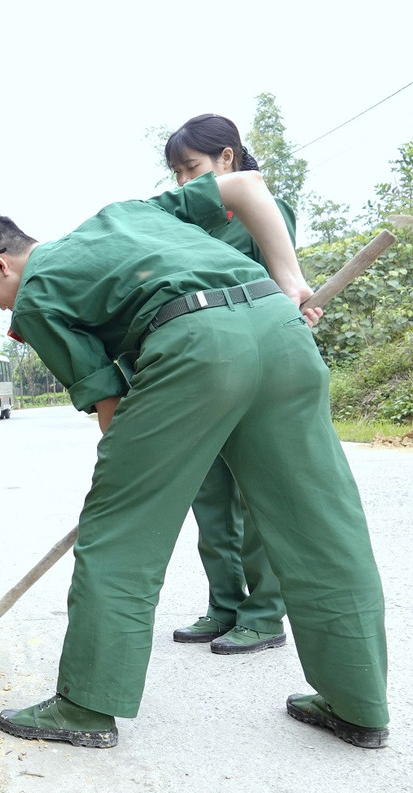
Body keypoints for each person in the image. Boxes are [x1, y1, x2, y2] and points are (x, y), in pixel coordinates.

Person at [0, 169, 388, 750]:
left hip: (195, 346)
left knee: (120, 532)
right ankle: (359, 703)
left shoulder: (35, 296)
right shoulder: (128, 213)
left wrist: (125, 484)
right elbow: (247, 186)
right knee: (320, 523)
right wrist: (291, 282)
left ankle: (85, 706)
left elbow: (111, 405)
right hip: (281, 331)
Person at [165, 114, 294, 656]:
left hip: (254, 372)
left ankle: (264, 613)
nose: (184, 183)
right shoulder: (188, 224)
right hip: (202, 378)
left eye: (191, 168)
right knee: (209, 497)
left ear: (227, 157)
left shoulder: (263, 210)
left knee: (252, 496)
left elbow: (281, 285)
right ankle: (225, 603)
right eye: (176, 173)